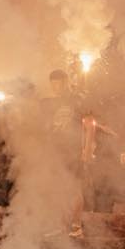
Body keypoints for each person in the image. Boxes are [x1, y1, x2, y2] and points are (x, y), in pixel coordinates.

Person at [39, 70, 99, 238]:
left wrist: (87, 150)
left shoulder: (77, 100)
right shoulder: (50, 103)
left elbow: (90, 126)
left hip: (72, 152)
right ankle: (59, 224)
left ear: (65, 82)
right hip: (56, 152)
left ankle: (76, 226)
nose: (56, 87)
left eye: (59, 83)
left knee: (74, 188)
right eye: (53, 84)